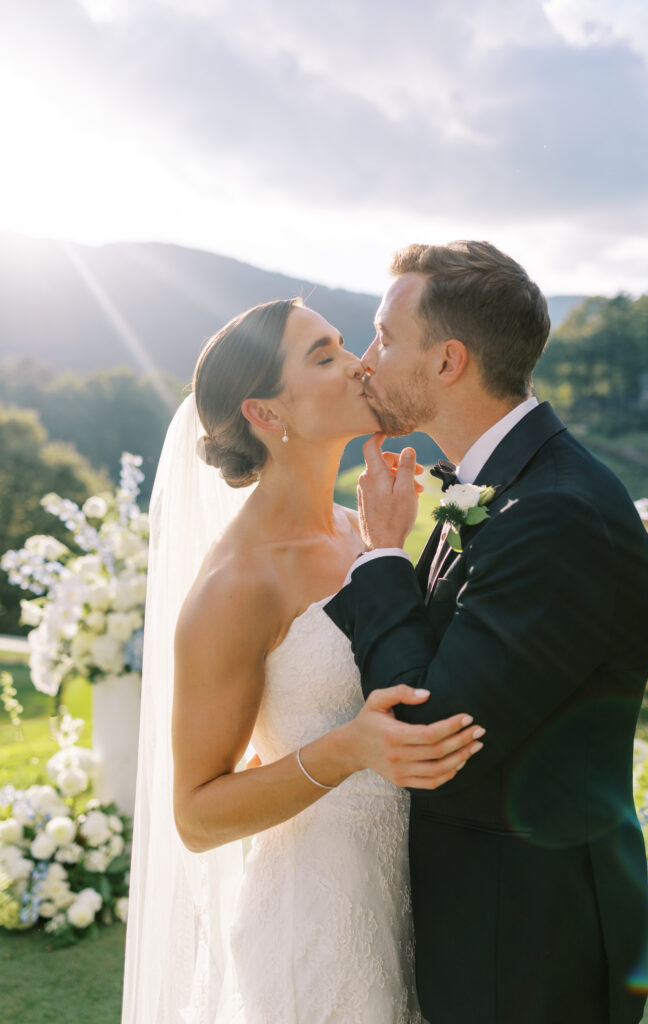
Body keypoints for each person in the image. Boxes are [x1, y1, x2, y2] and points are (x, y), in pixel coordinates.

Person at [325, 241, 648, 1024]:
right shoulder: (502, 485)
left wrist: (381, 552)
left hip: (529, 939)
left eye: (383, 337)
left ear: (447, 361)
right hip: (493, 919)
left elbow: (428, 727)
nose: (365, 360)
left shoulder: (555, 514)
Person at [121, 297, 485, 1023]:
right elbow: (195, 815)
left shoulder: (360, 527)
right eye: (323, 356)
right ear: (266, 414)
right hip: (316, 929)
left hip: (412, 898)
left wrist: (389, 545)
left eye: (345, 344)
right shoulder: (236, 585)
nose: (357, 365)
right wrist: (347, 748)